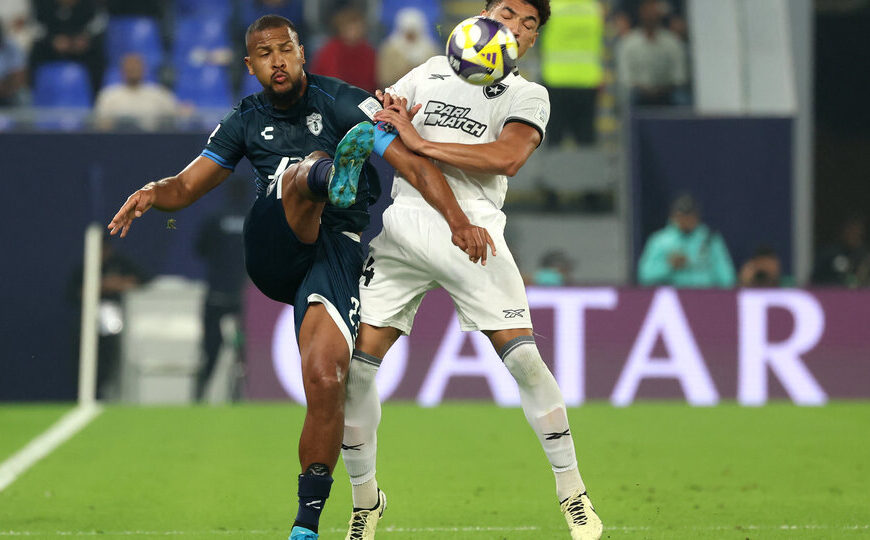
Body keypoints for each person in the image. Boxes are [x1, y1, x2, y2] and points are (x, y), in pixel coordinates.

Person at [107, 15, 494, 540]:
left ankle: (306, 525)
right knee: (299, 172)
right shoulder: (245, 120)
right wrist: (154, 193)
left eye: (285, 49)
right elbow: (187, 186)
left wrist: (458, 221)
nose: (277, 61)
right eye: (264, 54)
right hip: (273, 248)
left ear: (301, 52)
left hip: (333, 251)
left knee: (327, 379)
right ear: (250, 65)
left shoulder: (339, 100)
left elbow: (413, 164)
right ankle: (330, 174)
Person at [340, 1, 603, 539]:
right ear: (481, 17)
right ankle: (366, 503)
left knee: (526, 362)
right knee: (357, 369)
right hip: (406, 225)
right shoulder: (431, 70)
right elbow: (382, 119)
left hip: (475, 234)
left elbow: (505, 158)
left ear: (530, 44)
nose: (517, 27)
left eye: (529, 25)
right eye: (508, 12)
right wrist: (391, 118)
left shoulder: (528, 95)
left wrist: (420, 141)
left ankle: (573, 495)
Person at [68, 238, 149, 400]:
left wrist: (117, 284)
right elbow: (73, 293)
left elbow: (142, 281)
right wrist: (101, 285)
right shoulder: (85, 268)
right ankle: (87, 395)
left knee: (115, 361)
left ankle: (114, 395)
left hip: (121, 323)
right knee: (88, 361)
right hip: (89, 325)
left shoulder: (121, 264)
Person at [193, 177, 250, 401]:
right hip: (242, 297)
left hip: (216, 294)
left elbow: (200, 249)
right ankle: (241, 396)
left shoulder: (215, 219)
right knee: (243, 352)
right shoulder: (253, 219)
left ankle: (199, 396)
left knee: (210, 350)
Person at [637, 194, 736, 288]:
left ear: (697, 216)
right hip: (672, 298)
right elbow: (644, 276)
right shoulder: (659, 241)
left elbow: (727, 278)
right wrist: (669, 266)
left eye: (690, 215)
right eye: (682, 216)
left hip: (706, 296)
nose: (686, 220)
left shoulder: (710, 239)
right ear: (673, 217)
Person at [615, 0, 688, 106]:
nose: (650, 16)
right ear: (640, 13)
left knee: (681, 97)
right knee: (628, 96)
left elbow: (679, 78)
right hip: (639, 93)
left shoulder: (672, 43)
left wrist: (661, 90)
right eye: (647, 12)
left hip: (666, 92)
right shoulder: (629, 43)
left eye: (653, 12)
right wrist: (645, 90)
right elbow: (626, 79)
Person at [93, 52, 178, 131]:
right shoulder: (108, 95)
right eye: (129, 67)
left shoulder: (160, 94)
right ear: (122, 70)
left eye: (136, 66)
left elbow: (174, 118)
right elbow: (101, 124)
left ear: (144, 69)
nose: (133, 70)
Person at [311, 6, 377, 93]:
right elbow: (330, 80)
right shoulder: (330, 50)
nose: (355, 31)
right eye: (351, 28)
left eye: (358, 27)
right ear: (341, 29)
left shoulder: (368, 51)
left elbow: (372, 81)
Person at [375, 7, 438, 90]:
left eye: (413, 31)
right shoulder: (390, 49)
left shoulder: (430, 50)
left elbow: (436, 77)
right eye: (407, 31)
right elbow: (384, 78)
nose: (410, 35)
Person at [812, 214, 870, 287]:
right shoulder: (829, 254)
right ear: (844, 231)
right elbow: (816, 280)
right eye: (851, 231)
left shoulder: (863, 256)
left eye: (857, 232)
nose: (854, 235)